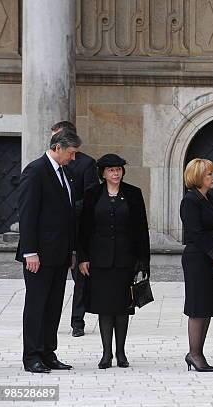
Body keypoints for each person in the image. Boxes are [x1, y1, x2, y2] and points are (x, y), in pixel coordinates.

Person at [16, 128, 80, 373]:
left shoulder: (65, 173)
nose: (73, 158)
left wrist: (72, 250)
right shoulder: (36, 171)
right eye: (71, 153)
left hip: (59, 254)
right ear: (58, 148)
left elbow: (68, 215)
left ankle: (48, 353)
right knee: (37, 305)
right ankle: (31, 355)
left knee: (53, 306)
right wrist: (30, 251)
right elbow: (28, 214)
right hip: (39, 256)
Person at [77, 154, 150, 369]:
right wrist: (83, 258)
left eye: (118, 169)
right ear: (103, 173)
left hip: (125, 260)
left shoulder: (133, 194)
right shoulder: (92, 194)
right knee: (104, 307)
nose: (115, 173)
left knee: (122, 307)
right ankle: (106, 353)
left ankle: (121, 352)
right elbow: (83, 230)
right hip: (99, 260)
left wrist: (143, 261)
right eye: (111, 170)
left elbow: (141, 230)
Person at [180, 158, 213, 372]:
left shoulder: (210, 198)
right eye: (209, 174)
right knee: (197, 306)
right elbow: (195, 233)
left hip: (212, 258)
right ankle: (194, 353)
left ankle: (198, 351)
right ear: (198, 176)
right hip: (197, 259)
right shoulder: (190, 200)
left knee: (208, 307)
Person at [51, 121, 100, 338]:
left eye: (57, 136)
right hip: (56, 231)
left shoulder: (86, 163)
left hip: (78, 228)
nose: (53, 142)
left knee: (81, 277)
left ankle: (77, 321)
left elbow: (90, 196)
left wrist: (71, 208)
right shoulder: (48, 165)